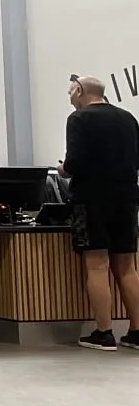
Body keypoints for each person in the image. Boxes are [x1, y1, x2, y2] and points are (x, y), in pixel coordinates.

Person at [64, 76, 139, 350]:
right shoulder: (128, 118)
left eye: (71, 91)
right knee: (128, 267)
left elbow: (74, 162)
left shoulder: (79, 119)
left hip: (92, 198)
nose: (70, 97)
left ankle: (104, 332)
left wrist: (63, 170)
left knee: (97, 265)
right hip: (128, 197)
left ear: (80, 90)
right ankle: (136, 331)